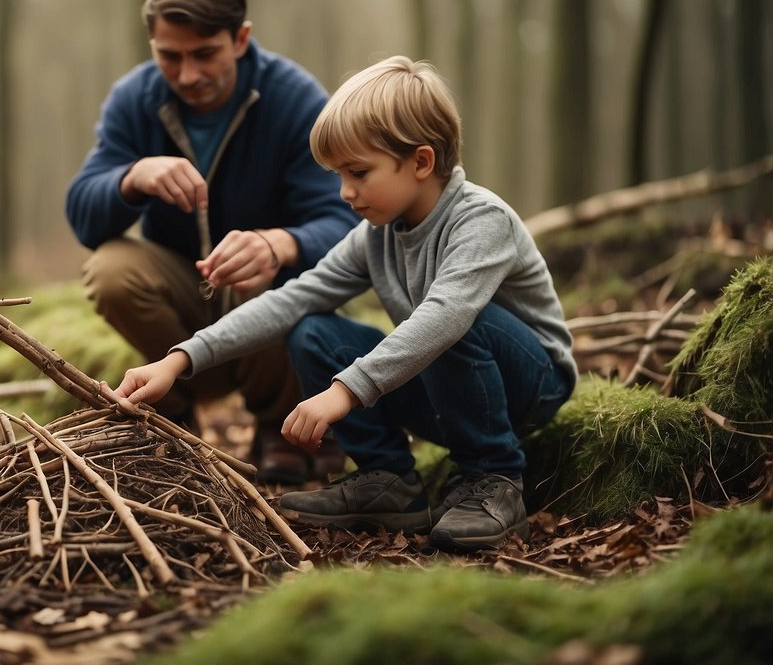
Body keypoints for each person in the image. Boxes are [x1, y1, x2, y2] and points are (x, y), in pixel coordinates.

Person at [113, 55, 577, 551]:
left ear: (421, 161)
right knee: (312, 329)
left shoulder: (481, 220)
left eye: (359, 172)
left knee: (455, 323)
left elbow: (447, 317)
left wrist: (345, 391)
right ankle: (388, 482)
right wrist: (179, 359)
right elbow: (291, 300)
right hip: (446, 383)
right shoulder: (376, 234)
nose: (345, 192)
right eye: (338, 174)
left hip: (529, 386)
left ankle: (494, 478)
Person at [65, 0, 358, 485]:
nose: (187, 74)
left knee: (266, 277)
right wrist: (130, 177)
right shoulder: (135, 99)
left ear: (241, 38)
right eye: (169, 56)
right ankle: (170, 417)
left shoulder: (293, 100)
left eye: (205, 54)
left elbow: (347, 224)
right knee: (110, 269)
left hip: (268, 300)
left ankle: (280, 424)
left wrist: (281, 244)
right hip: (183, 292)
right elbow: (84, 216)